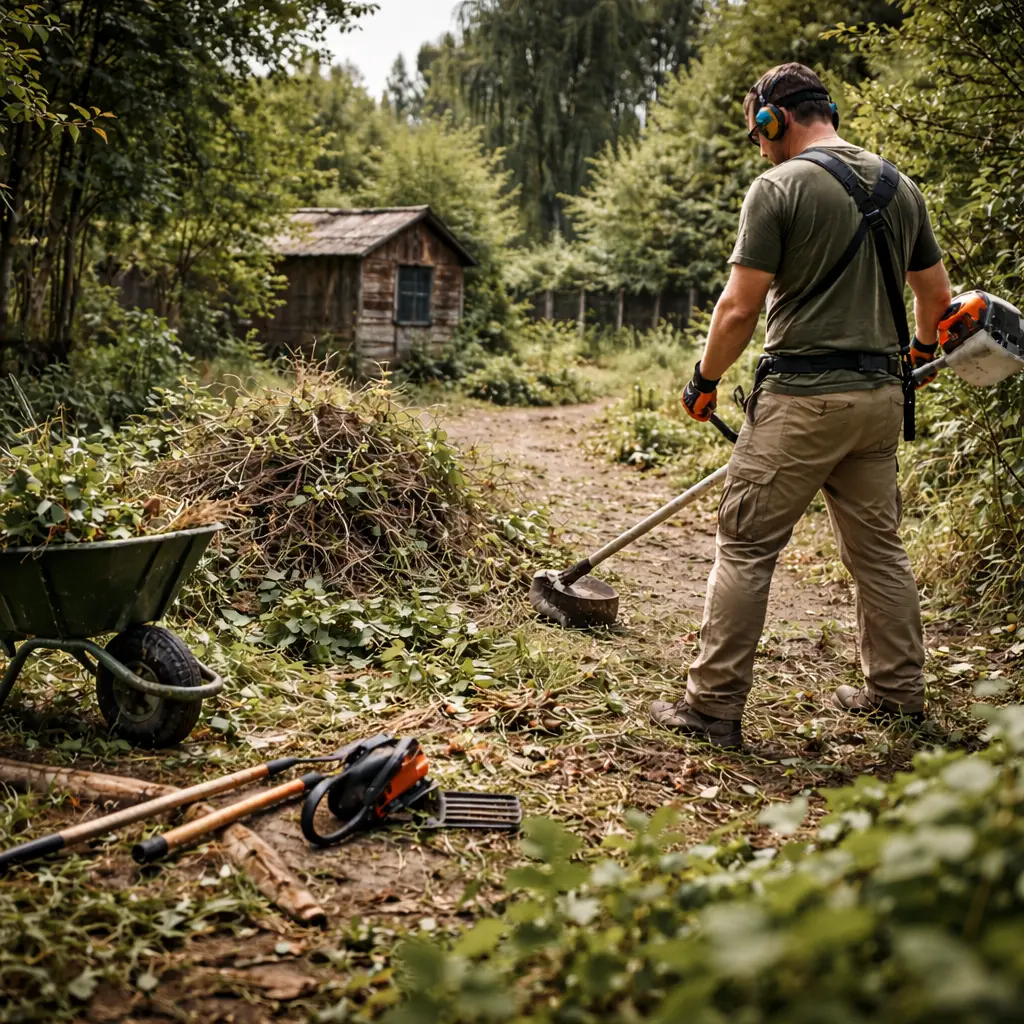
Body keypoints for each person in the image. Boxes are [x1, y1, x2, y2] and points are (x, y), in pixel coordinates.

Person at [649, 62, 952, 749]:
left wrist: (703, 380)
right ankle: (897, 696)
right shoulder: (899, 188)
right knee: (879, 553)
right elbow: (936, 301)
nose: (759, 146)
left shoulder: (779, 186)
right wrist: (917, 359)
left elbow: (737, 309)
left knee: (747, 545)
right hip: (879, 402)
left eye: (758, 131)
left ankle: (711, 708)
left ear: (773, 119)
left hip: (801, 399)